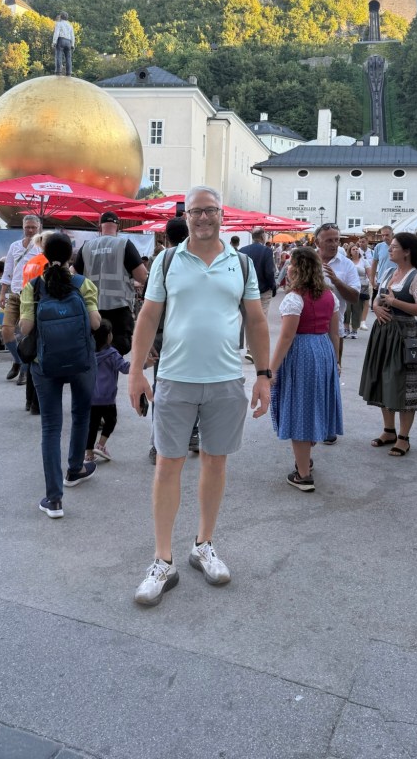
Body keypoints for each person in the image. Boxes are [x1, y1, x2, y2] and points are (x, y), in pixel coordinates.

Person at [128, 186, 270, 606]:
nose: (204, 217)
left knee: (215, 461)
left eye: (211, 210)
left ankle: (203, 545)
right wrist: (136, 371)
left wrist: (264, 375)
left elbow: (257, 321)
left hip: (226, 379)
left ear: (222, 215)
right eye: (196, 211)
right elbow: (148, 316)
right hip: (175, 378)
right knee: (167, 465)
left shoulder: (241, 263)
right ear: (185, 216)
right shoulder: (167, 260)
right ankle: (162, 560)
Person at [19, 233, 101, 519]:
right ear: (71, 256)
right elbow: (95, 323)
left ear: (44, 254)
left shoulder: (33, 287)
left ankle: (54, 499)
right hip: (81, 360)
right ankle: (75, 469)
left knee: (51, 428)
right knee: (81, 414)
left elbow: (26, 328)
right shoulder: (83, 284)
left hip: (45, 364)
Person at [270, 247, 342, 491]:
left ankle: (303, 475)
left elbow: (287, 337)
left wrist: (271, 369)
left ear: (298, 268)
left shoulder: (295, 298)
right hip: (324, 350)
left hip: (302, 353)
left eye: (291, 263)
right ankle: (305, 460)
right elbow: (335, 333)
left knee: (299, 410)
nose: (288, 267)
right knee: (314, 405)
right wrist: (336, 361)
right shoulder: (329, 296)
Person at [359, 233, 417, 457]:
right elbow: (378, 297)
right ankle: (388, 430)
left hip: (405, 335)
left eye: (394, 247)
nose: (389, 250)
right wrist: (376, 306)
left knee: (405, 383)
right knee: (384, 379)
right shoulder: (389, 272)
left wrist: (394, 302)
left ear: (407, 252)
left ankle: (403, 437)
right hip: (383, 333)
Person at [75, 212, 148, 357]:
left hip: (93, 309)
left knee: (94, 349)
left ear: (99, 227)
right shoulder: (124, 245)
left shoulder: (86, 247)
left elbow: (73, 276)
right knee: (118, 351)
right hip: (119, 309)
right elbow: (142, 276)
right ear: (118, 227)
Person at [148, 216, 190, 464]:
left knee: (162, 390)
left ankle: (158, 444)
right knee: (194, 385)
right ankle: (192, 434)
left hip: (163, 334)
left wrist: (148, 341)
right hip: (191, 336)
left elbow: (150, 306)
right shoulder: (199, 259)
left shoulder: (161, 260)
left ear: (166, 237)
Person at [83, 318, 138, 464]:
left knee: (92, 426)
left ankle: (88, 454)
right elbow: (125, 368)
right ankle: (100, 445)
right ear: (108, 337)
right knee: (111, 421)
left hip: (91, 398)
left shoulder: (88, 354)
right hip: (107, 398)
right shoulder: (112, 354)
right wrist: (142, 365)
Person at [0, 214, 43, 385]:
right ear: (23, 227)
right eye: (27, 227)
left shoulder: (42, 247)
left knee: (27, 332)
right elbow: (8, 270)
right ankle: (18, 360)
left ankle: (25, 369)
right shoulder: (15, 246)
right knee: (6, 330)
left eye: (33, 227)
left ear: (39, 228)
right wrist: (2, 293)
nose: (30, 230)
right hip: (15, 293)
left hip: (32, 295)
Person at [314, 223, 360, 375]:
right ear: (317, 242)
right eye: (329, 240)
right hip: (306, 331)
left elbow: (354, 297)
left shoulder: (347, 264)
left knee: (332, 374)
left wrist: (336, 281)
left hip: (334, 331)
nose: (334, 244)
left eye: (336, 240)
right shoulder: (307, 261)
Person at [239, 228, 277, 360]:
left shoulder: (242, 250)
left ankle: (250, 348)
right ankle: (256, 349)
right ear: (262, 237)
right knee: (261, 318)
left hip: (246, 290)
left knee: (249, 318)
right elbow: (269, 271)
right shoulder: (267, 251)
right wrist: (273, 286)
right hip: (263, 289)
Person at [344, 243, 370, 337]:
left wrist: (372, 284)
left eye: (357, 249)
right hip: (348, 287)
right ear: (350, 252)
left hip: (360, 288)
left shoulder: (364, 261)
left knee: (357, 309)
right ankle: (346, 329)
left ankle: (354, 330)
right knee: (346, 309)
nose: (356, 250)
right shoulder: (346, 261)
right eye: (353, 249)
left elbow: (369, 274)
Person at [368, 225, 397, 303]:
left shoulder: (399, 246)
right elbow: (374, 264)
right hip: (382, 280)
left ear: (392, 234)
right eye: (382, 235)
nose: (384, 237)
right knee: (379, 304)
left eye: (387, 235)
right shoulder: (379, 246)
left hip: (396, 281)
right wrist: (372, 280)